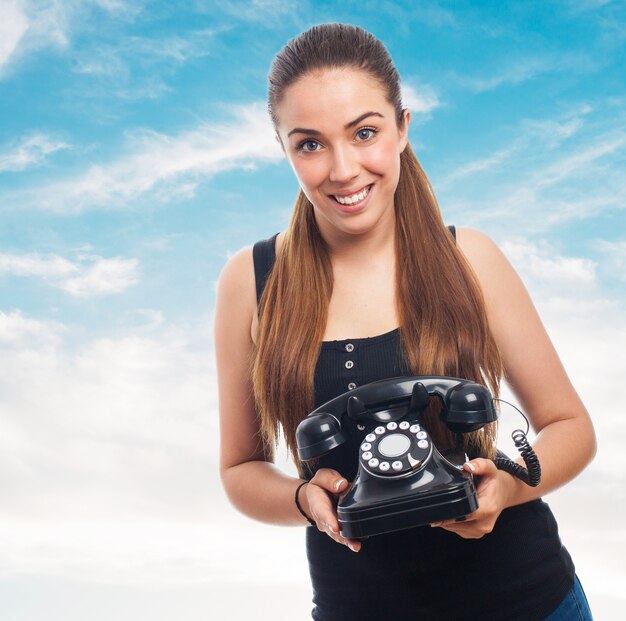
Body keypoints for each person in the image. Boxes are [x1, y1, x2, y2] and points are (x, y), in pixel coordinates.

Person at [215, 23, 596, 621]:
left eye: (364, 132)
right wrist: (302, 497)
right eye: (310, 144)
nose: (343, 169)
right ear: (285, 150)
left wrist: (507, 487)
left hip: (528, 601)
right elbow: (240, 468)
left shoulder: (469, 257)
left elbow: (571, 425)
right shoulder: (252, 280)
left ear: (402, 128)